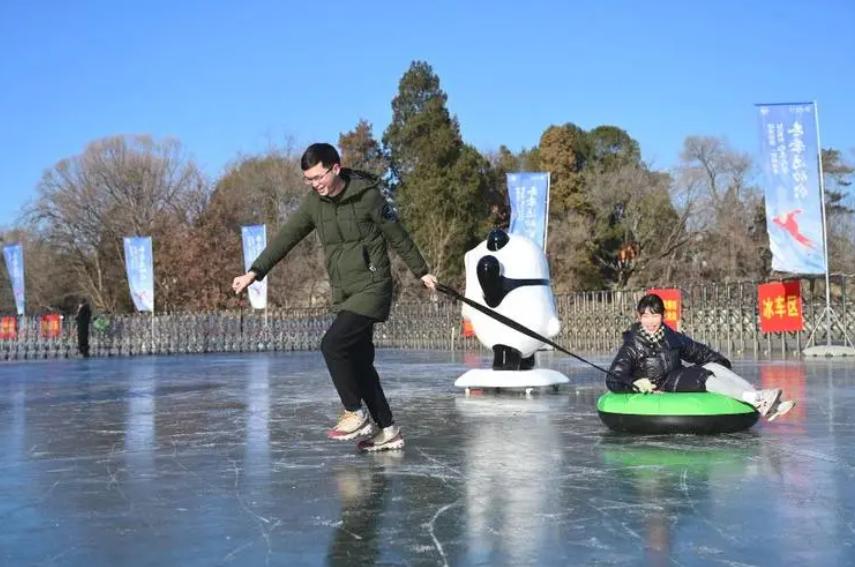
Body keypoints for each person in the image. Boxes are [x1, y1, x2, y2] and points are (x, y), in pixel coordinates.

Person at [232, 143, 437, 452]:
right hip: (346, 291)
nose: (315, 185)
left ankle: (355, 413)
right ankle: (388, 429)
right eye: (309, 180)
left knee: (332, 344)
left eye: (318, 177)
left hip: (373, 286)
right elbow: (286, 237)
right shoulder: (315, 204)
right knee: (360, 362)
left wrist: (422, 271)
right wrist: (254, 272)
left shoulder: (368, 196)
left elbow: (398, 234)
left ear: (335, 168)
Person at [607, 294, 796, 421]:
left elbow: (699, 352)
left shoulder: (671, 336)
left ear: (662, 316)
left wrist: (722, 366)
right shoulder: (632, 346)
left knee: (712, 366)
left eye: (655, 316)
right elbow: (613, 378)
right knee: (700, 376)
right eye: (645, 317)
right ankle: (757, 399)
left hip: (676, 376)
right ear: (639, 317)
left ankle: (765, 401)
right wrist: (635, 383)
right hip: (661, 386)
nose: (650, 322)